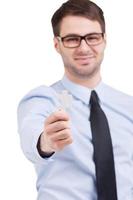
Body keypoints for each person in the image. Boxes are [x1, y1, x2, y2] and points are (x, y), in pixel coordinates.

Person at [17, 0, 133, 199]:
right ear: (57, 44)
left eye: (92, 37)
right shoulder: (43, 99)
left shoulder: (128, 106)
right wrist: (45, 142)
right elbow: (32, 134)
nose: (84, 47)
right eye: (72, 39)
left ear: (104, 40)